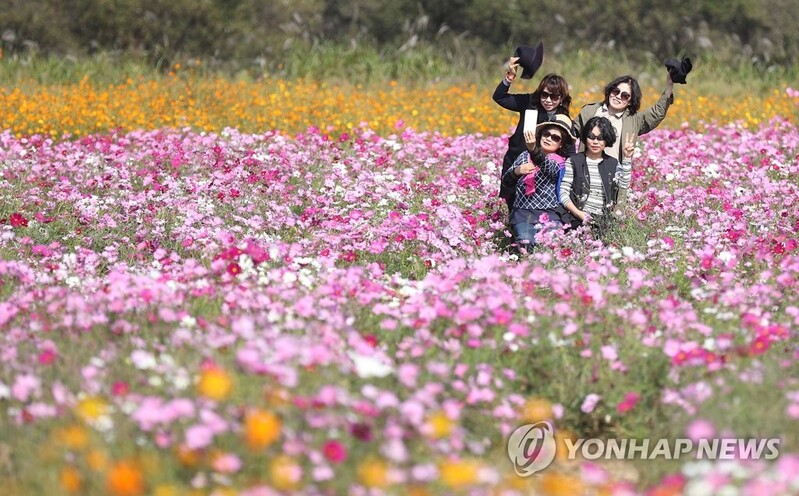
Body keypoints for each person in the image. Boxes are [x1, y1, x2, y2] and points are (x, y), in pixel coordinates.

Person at [493, 58, 572, 215]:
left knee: (537, 210)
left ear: (562, 98)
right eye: (544, 95)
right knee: (512, 202)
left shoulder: (564, 118)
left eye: (554, 97)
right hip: (516, 160)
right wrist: (509, 77)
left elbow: (568, 150)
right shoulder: (529, 102)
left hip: (542, 172)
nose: (548, 100)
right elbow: (500, 97)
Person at [501, 114, 576, 250]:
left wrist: (533, 149)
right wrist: (516, 171)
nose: (549, 138)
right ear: (540, 135)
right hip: (523, 214)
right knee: (526, 242)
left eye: (555, 138)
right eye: (546, 134)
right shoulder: (524, 156)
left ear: (561, 144)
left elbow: (545, 164)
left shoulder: (558, 162)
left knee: (553, 245)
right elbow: (506, 182)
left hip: (549, 214)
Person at [559, 116, 634, 232]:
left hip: (603, 221)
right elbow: (563, 193)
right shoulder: (574, 161)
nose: (595, 142)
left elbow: (623, 186)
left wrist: (627, 159)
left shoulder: (612, 163)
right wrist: (580, 215)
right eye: (591, 137)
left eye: (600, 138)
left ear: (607, 140)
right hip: (576, 219)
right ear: (585, 137)